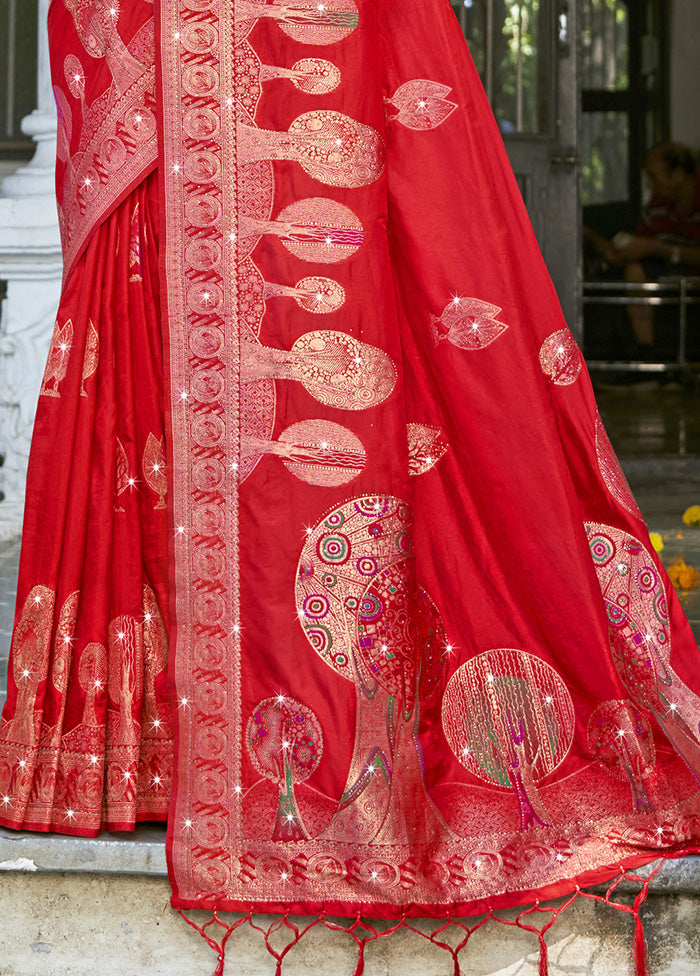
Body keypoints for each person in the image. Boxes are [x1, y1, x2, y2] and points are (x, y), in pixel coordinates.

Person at [2, 2, 700, 970]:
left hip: (322, 42)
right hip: (158, 47)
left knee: (385, 300)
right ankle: (155, 745)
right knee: (159, 321)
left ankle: (333, 758)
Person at [586, 142, 700, 350]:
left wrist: (657, 248)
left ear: (678, 175)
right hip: (671, 275)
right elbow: (638, 247)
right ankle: (646, 357)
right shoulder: (656, 208)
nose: (649, 184)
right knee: (634, 269)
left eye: (654, 177)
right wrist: (603, 243)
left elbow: (653, 247)